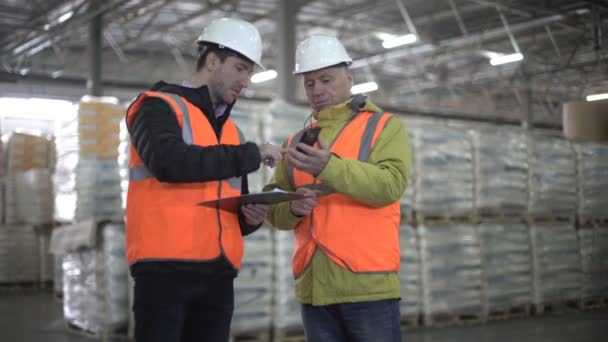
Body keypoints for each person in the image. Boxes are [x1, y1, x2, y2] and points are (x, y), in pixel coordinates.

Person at [125, 18, 283, 342]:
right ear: (212, 61)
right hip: (165, 273)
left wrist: (249, 218)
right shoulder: (157, 106)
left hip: (218, 275)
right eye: (240, 68)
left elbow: (226, 207)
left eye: (250, 72)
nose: (246, 81)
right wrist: (250, 154)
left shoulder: (231, 132)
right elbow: (168, 162)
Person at [264, 35, 411, 342]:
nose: (317, 90)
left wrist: (328, 167)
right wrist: (291, 207)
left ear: (349, 75)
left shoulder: (384, 126)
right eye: (309, 83)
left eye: (326, 79)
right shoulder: (294, 143)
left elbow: (390, 185)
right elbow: (273, 210)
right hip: (315, 289)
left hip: (367, 286)